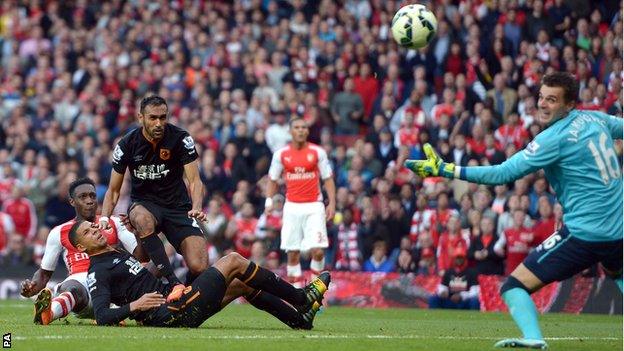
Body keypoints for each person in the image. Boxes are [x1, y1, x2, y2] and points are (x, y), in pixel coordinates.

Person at [405, 72, 623, 349]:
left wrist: (446, 169)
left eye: (552, 100)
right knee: (617, 271)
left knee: (513, 287)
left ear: (569, 105)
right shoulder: (596, 118)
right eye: (541, 97)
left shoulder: (553, 139)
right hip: (619, 229)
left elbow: (502, 173)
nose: (542, 105)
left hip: (587, 234)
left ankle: (533, 340)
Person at [66, 219, 330, 329]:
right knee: (233, 261)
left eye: (93, 227)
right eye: (89, 233)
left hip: (175, 301)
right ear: (80, 247)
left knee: (241, 284)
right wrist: (135, 306)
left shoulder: (114, 253)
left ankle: (300, 320)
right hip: (170, 312)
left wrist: (137, 230)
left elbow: (138, 271)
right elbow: (101, 315)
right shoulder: (97, 271)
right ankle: (301, 297)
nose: (96, 231)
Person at [101, 95, 207, 300]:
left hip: (178, 207)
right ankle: (173, 282)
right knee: (141, 218)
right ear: (140, 117)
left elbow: (195, 181)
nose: (159, 123)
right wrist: (105, 217)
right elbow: (114, 190)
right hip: (145, 205)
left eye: (163, 117)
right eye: (153, 118)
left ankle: (180, 298)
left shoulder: (180, 138)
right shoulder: (126, 144)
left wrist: (197, 206)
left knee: (200, 265)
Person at [20, 177, 146, 325]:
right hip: (84, 287)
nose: (90, 200)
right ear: (72, 202)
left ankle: (122, 312)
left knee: (146, 270)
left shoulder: (114, 222)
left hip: (114, 283)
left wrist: (138, 232)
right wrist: (32, 286)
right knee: (71, 288)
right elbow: (44, 274)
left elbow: (142, 257)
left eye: (92, 196)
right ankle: (48, 313)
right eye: (83, 197)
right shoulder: (59, 232)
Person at [266, 116, 336, 286]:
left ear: (307, 131)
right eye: (297, 127)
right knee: (293, 254)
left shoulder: (317, 152)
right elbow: (273, 178)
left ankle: (315, 291)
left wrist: (332, 203)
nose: (301, 130)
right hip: (292, 207)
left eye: (304, 127)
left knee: (318, 252)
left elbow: (327, 178)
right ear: (290, 131)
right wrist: (268, 201)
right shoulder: (281, 154)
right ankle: (298, 295)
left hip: (314, 206)